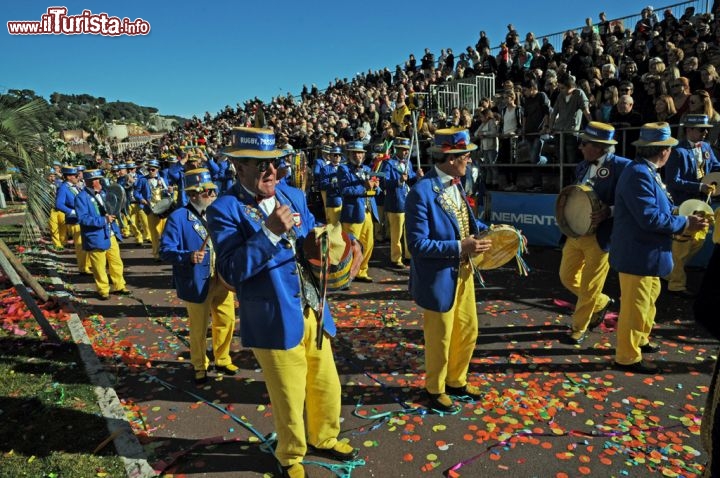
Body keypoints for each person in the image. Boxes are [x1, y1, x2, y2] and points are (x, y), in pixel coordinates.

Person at [207, 127, 358, 478]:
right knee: (289, 396)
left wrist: (338, 245)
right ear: (238, 167)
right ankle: (290, 456)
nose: (271, 172)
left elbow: (310, 238)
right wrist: (270, 233)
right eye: (260, 166)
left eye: (275, 163)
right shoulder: (224, 209)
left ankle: (325, 437)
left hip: (314, 309)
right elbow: (230, 270)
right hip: (273, 316)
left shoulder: (293, 194)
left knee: (326, 383)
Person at [405, 128, 492, 413]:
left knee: (468, 331)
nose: (469, 158)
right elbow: (417, 245)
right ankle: (435, 388)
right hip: (439, 278)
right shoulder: (420, 192)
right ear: (450, 157)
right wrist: (459, 246)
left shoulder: (456, 184)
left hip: (463, 273)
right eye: (465, 154)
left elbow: (468, 223)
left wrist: (501, 234)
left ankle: (457, 380)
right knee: (440, 338)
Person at [610, 122, 708, 374]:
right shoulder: (640, 174)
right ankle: (627, 357)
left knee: (647, 301)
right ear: (663, 150)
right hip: (639, 254)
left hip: (647, 254)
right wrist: (685, 221)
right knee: (635, 307)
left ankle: (640, 340)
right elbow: (649, 218)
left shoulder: (645, 171)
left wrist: (679, 214)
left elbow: (657, 211)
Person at [159, 168, 237, 384]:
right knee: (199, 327)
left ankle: (222, 358)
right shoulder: (177, 218)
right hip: (195, 281)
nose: (213, 195)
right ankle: (199, 365)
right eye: (208, 192)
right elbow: (165, 251)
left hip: (221, 279)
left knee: (227, 320)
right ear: (193, 195)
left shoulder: (219, 215)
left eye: (213, 191)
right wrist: (187, 256)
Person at [559, 123, 631, 344]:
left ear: (599, 147)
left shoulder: (624, 167)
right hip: (576, 232)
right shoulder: (582, 166)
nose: (580, 147)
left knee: (590, 284)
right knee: (567, 276)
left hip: (601, 236)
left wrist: (608, 211)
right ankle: (600, 302)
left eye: (585, 143)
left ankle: (578, 328)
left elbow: (631, 202)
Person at [664, 114, 720, 297]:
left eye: (707, 130)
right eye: (702, 129)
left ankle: (669, 271)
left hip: (702, 203)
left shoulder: (706, 147)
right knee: (681, 245)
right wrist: (700, 186)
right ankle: (676, 285)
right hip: (683, 205)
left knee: (698, 241)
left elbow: (715, 167)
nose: (705, 133)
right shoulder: (677, 151)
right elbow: (672, 181)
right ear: (689, 130)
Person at [74, 169, 129, 301]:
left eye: (99, 179)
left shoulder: (105, 193)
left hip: (110, 233)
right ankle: (103, 290)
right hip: (95, 236)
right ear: (89, 182)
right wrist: (103, 220)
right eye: (95, 180)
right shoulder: (81, 197)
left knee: (116, 262)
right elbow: (83, 219)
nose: (98, 182)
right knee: (99, 266)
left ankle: (119, 285)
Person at [338, 141, 380, 283]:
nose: (358, 155)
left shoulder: (368, 169)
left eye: (360, 152)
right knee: (350, 246)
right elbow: (344, 190)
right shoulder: (343, 169)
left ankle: (362, 270)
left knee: (368, 243)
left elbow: (375, 191)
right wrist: (364, 187)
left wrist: (376, 187)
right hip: (353, 213)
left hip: (368, 211)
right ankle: (347, 275)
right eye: (354, 152)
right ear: (349, 154)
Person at [381, 137, 423, 269]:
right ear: (397, 149)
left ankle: (409, 255)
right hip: (395, 202)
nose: (405, 152)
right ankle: (396, 257)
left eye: (406, 150)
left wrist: (417, 177)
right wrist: (399, 180)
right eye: (403, 150)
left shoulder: (408, 163)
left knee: (409, 231)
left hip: (408, 201)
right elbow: (384, 183)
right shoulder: (388, 164)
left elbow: (409, 180)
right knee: (396, 233)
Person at [547, 73, 593, 165]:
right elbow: (554, 112)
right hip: (558, 132)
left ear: (571, 86)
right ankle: (563, 179)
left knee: (571, 160)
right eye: (559, 88)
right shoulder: (560, 96)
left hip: (571, 132)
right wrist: (550, 127)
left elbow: (586, 111)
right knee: (561, 160)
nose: (560, 90)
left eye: (563, 88)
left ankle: (573, 179)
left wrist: (593, 125)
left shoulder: (579, 93)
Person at [55, 165, 91, 275]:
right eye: (75, 175)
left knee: (87, 242)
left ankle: (88, 264)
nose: (77, 176)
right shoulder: (64, 188)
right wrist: (72, 212)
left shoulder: (77, 186)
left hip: (84, 218)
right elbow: (59, 204)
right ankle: (83, 268)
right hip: (74, 219)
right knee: (80, 245)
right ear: (68, 177)